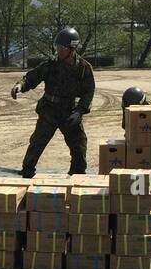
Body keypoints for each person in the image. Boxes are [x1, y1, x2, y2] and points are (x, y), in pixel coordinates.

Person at [11, 26, 95, 175]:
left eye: (61, 48)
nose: (58, 51)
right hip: (49, 110)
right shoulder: (51, 64)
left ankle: (77, 175)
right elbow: (31, 78)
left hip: (70, 112)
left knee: (79, 145)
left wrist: (80, 111)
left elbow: (89, 92)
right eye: (57, 47)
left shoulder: (83, 68)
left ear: (72, 48)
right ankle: (27, 172)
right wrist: (20, 85)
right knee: (37, 143)